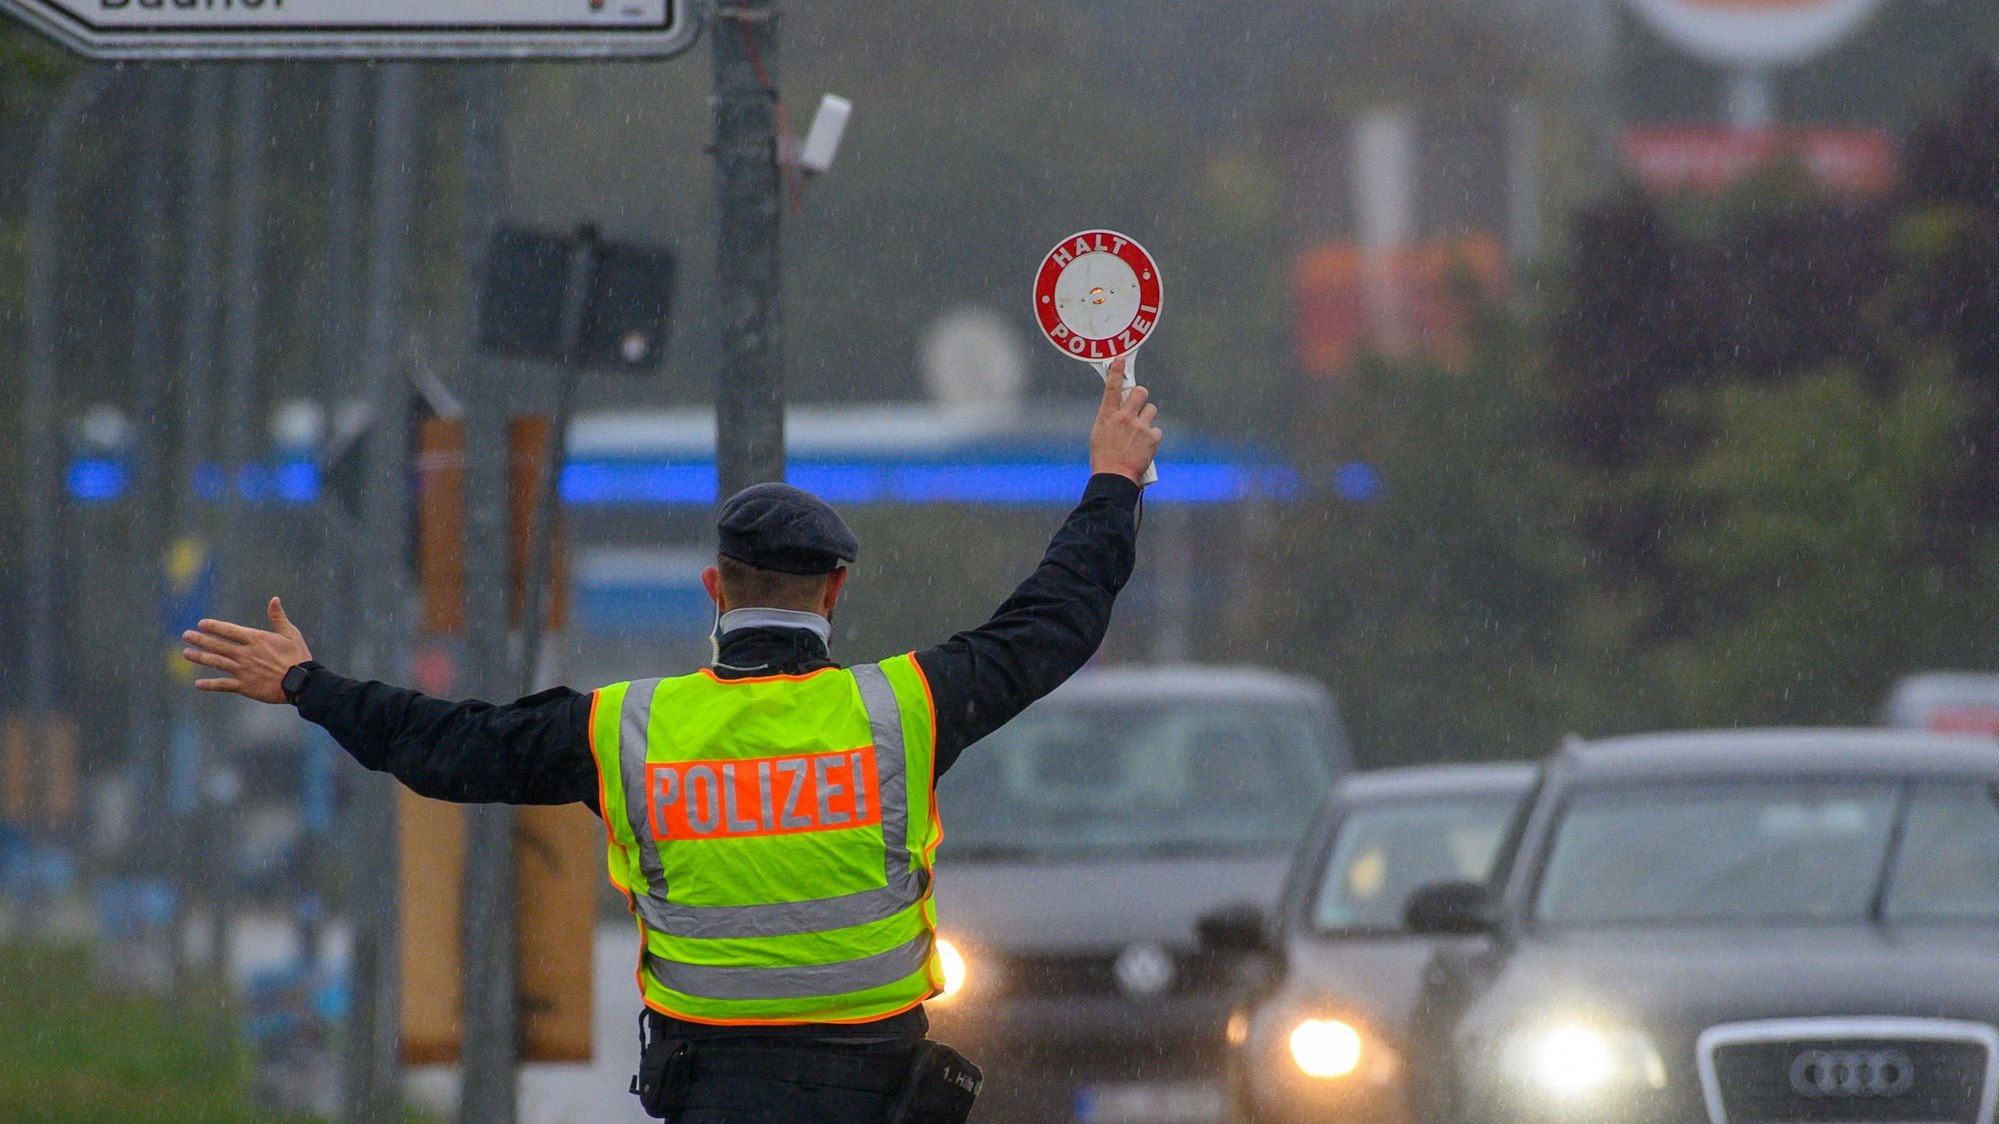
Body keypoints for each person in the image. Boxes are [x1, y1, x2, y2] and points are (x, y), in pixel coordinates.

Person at [181, 357, 1162, 1123]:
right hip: (875, 1088)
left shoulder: (626, 729)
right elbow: (1052, 622)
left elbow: (449, 744)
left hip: (715, 1089)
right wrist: (1111, 481)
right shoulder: (904, 706)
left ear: (712, 587)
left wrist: (308, 682)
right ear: (835, 590)